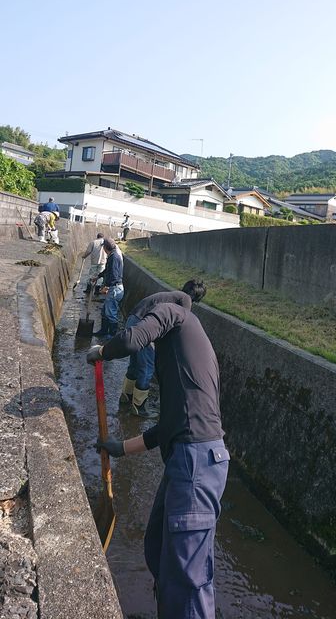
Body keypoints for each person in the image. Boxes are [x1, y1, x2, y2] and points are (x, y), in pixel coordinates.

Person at [87, 290, 229, 619]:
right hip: (191, 460)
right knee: (157, 546)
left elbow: (133, 339)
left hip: (196, 464)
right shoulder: (186, 352)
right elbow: (165, 430)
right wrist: (118, 449)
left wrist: (101, 352)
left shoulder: (172, 313)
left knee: (188, 577)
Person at [119, 279, 207, 418]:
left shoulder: (174, 295)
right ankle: (138, 406)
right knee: (147, 367)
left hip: (133, 319)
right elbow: (180, 326)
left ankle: (126, 396)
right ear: (197, 297)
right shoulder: (185, 300)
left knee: (135, 363)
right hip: (142, 324)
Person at [93, 238, 124, 338]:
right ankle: (103, 331)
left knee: (111, 313)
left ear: (105, 248)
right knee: (105, 311)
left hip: (114, 288)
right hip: (114, 288)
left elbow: (114, 276)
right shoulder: (113, 255)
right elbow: (107, 270)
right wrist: (98, 276)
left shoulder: (114, 257)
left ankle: (111, 336)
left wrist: (106, 287)